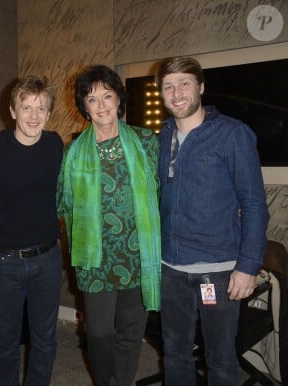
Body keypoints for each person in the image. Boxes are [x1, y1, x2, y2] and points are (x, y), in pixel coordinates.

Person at [155, 56, 269, 385]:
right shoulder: (161, 137)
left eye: (184, 84)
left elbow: (254, 203)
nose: (176, 93)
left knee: (220, 358)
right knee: (174, 351)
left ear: (201, 87)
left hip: (217, 271)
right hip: (171, 269)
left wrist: (247, 266)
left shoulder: (232, 135)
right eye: (168, 86)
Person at [57, 65, 161, 386]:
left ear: (119, 99)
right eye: (92, 99)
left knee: (131, 333)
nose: (101, 105)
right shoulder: (73, 152)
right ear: (84, 107)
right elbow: (61, 201)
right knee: (99, 333)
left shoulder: (146, 141)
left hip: (137, 255)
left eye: (107, 96)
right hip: (95, 260)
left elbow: (163, 193)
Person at [0, 75, 63, 386]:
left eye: (41, 108)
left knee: (45, 340)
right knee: (5, 342)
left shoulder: (55, 144)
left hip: (47, 258)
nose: (34, 115)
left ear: (48, 113)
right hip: (3, 261)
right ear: (13, 110)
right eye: (27, 107)